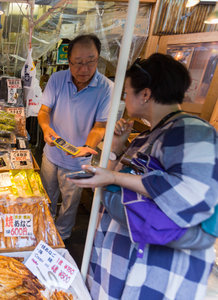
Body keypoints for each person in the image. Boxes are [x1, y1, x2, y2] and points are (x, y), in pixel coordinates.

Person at [70, 53, 218, 300]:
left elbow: (191, 193)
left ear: (146, 94)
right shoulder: (145, 137)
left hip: (155, 270)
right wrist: (116, 148)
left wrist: (115, 179)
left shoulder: (192, 131)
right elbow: (110, 180)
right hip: (120, 261)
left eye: (127, 92)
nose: (125, 99)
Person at [38, 34, 113, 241]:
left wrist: (86, 147)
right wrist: (46, 129)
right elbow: (44, 111)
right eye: (78, 63)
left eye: (90, 62)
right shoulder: (57, 79)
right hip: (51, 153)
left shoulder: (107, 88)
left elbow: (100, 126)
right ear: (68, 61)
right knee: (46, 196)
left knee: (70, 204)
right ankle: (44, 230)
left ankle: (61, 239)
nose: (84, 69)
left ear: (98, 58)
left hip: (79, 159)